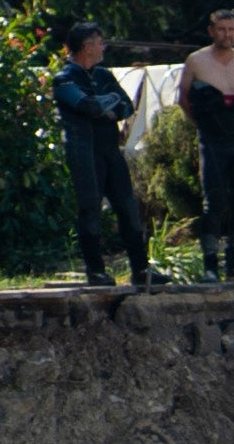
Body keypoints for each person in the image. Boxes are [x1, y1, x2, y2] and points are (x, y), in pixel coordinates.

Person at [60, 25, 161, 287]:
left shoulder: (103, 74)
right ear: (86, 46)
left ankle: (140, 270)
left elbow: (126, 105)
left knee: (128, 206)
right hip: (83, 150)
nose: (103, 47)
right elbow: (87, 106)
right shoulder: (65, 78)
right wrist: (108, 102)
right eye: (99, 42)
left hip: (109, 148)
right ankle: (96, 271)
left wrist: (108, 105)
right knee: (91, 207)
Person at [178, 6, 234, 281]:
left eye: (232, 29)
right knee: (214, 200)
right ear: (211, 31)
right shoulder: (196, 60)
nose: (227, 34)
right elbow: (184, 99)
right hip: (212, 136)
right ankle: (210, 265)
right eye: (222, 29)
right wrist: (203, 126)